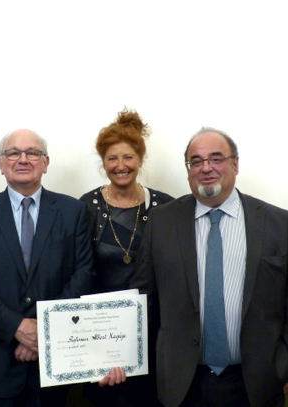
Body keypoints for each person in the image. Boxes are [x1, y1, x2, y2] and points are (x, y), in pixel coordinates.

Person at [130, 127, 288, 407]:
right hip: (182, 385)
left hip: (256, 383)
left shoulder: (278, 223)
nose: (206, 168)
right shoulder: (162, 222)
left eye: (216, 158)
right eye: (196, 161)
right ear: (188, 170)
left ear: (235, 164)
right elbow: (144, 300)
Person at [0, 129, 102, 407]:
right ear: (1, 164)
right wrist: (17, 327)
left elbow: (84, 273)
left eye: (32, 153)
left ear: (45, 162)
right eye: (13, 153)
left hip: (55, 361)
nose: (23, 159)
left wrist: (43, 331)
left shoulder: (73, 212)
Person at [79, 109, 173, 406]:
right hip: (100, 335)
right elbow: (79, 272)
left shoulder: (166, 207)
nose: (121, 166)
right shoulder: (86, 207)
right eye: (112, 159)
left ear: (141, 160)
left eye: (128, 157)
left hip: (155, 335)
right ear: (103, 163)